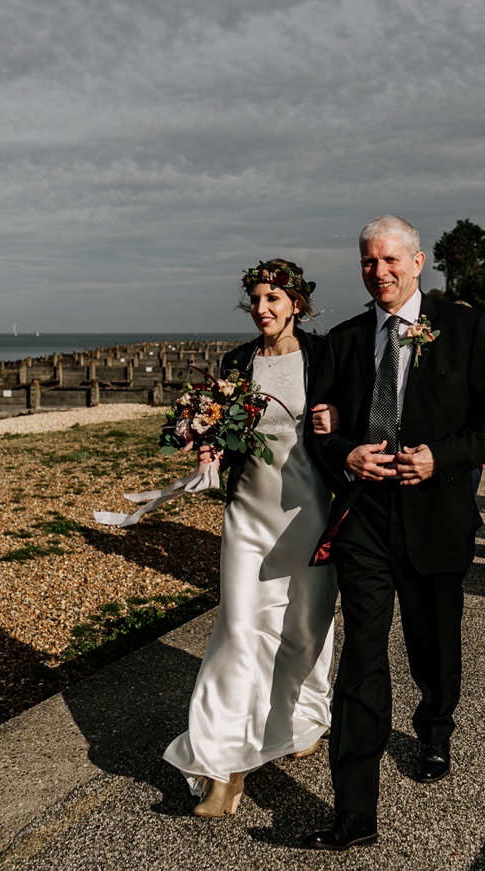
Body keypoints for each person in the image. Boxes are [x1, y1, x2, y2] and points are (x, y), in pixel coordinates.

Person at [304, 216, 485, 851]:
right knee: (362, 656)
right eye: (369, 262)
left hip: (435, 515)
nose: (380, 273)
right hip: (364, 518)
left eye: (391, 260)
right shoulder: (343, 340)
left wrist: (441, 458)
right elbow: (318, 430)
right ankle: (354, 816)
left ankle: (435, 725)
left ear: (418, 263)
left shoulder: (464, 327)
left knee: (432, 643)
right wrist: (346, 454)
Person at [163, 259, 339, 817]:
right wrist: (209, 444)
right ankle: (224, 770)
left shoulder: (324, 355)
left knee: (304, 629)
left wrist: (339, 426)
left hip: (308, 511)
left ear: (297, 303)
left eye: (274, 299)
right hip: (247, 513)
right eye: (256, 300)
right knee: (239, 632)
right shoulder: (237, 361)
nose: (263, 309)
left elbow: (351, 423)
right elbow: (229, 429)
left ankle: (306, 715)